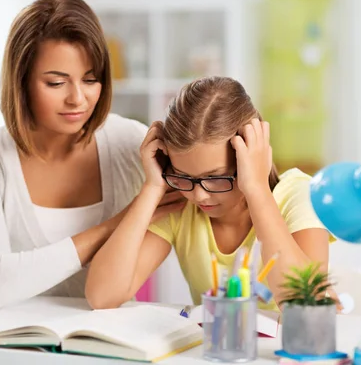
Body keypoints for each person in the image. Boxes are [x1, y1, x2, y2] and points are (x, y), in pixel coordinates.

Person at [0, 0, 184, 310]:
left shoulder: (131, 142)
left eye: (90, 79)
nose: (78, 99)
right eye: (56, 83)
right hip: (16, 347)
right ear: (21, 82)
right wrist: (119, 223)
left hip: (111, 342)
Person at [85, 76, 337, 311]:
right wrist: (152, 188)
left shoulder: (298, 194)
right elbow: (102, 296)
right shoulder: (179, 201)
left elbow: (305, 307)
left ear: (250, 156)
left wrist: (257, 189)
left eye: (215, 178)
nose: (198, 196)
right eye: (183, 176)